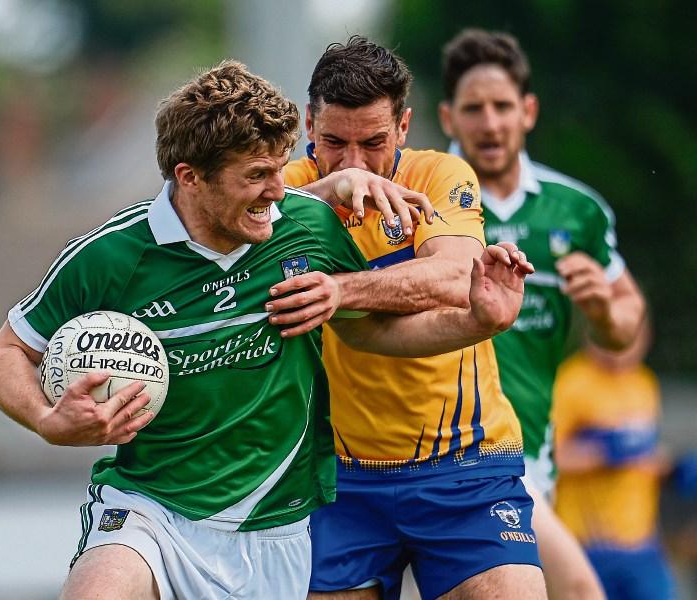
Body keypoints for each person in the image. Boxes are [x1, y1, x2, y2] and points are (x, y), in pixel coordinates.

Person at [0, 60, 529, 600]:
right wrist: (49, 420)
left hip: (277, 526)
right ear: (190, 178)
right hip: (151, 511)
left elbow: (374, 333)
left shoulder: (305, 228)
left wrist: (477, 321)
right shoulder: (108, 257)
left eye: (279, 168)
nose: (278, 191)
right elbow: (3, 354)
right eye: (257, 176)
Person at [277, 36, 546, 599]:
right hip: (337, 480)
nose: (355, 164)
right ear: (307, 124)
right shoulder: (287, 188)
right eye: (333, 143)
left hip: (466, 468)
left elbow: (456, 279)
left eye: (373, 143)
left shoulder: (440, 175)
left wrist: (339, 289)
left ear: (403, 127)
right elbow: (213, 230)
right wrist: (324, 194)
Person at [437, 28, 647, 598]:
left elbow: (627, 316)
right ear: (448, 118)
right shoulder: (424, 198)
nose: (490, 122)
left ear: (527, 111)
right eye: (473, 108)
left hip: (529, 448)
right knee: (579, 589)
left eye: (502, 106)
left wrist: (602, 310)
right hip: (440, 448)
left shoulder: (575, 210)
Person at [552, 321, 677, 600]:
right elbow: (546, 458)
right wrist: (601, 454)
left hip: (641, 544)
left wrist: (669, 467)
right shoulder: (571, 382)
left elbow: (644, 457)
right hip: (587, 543)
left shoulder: (645, 382)